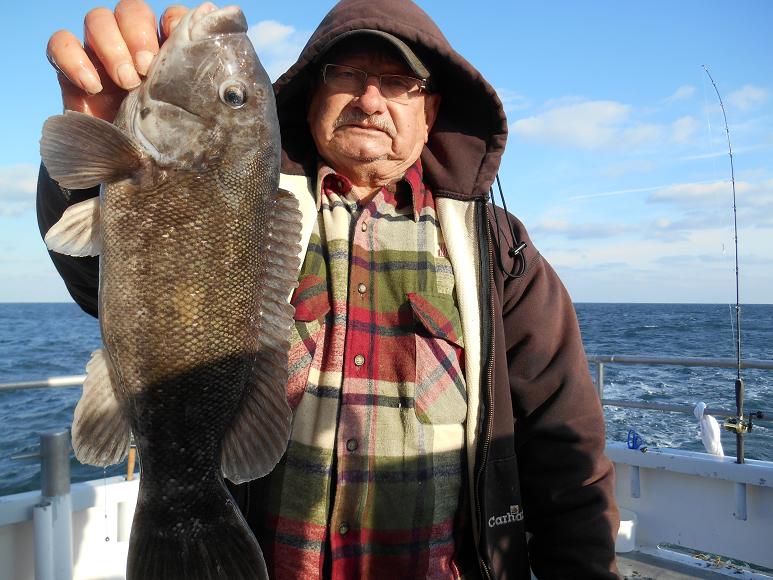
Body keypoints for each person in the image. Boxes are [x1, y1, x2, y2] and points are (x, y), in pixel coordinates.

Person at [38, 0, 620, 577]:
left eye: (399, 83)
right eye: (348, 74)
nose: (370, 99)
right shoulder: (247, 202)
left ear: (431, 110)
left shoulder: (500, 253)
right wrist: (97, 163)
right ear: (310, 95)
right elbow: (100, 280)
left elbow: (565, 453)